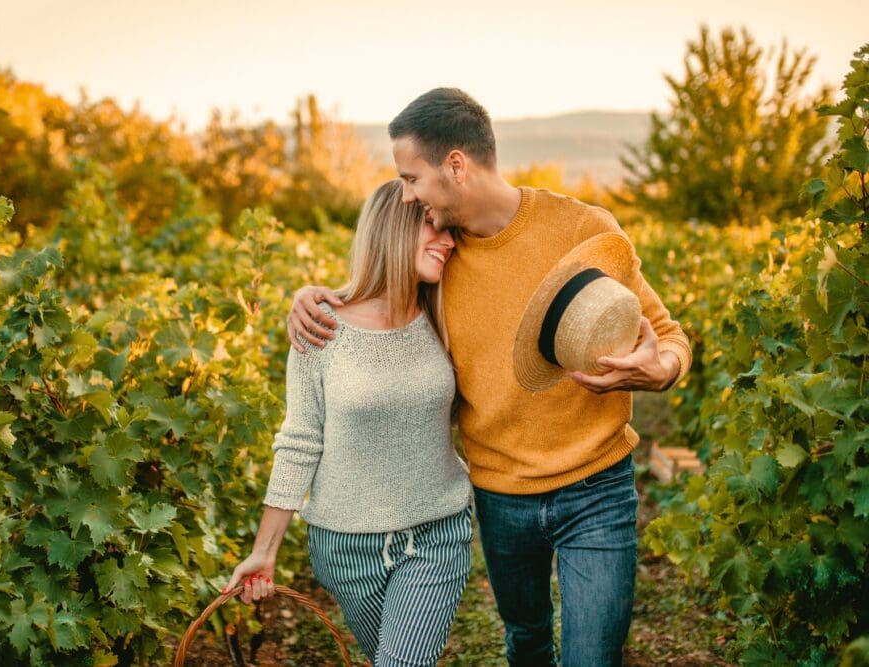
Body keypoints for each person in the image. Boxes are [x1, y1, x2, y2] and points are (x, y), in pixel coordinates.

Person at [288, 89, 692, 667]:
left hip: (598, 486)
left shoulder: (583, 229)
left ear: (456, 165)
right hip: (501, 496)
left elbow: (668, 334)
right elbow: (376, 301)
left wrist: (664, 368)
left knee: (593, 658)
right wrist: (307, 299)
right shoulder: (438, 261)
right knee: (526, 643)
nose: (407, 194)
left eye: (412, 177)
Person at [224, 179, 473, 667]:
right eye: (433, 225)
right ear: (391, 227)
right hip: (344, 548)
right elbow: (300, 441)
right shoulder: (322, 325)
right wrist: (264, 550)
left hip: (437, 533)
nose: (447, 240)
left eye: (451, 230)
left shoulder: (444, 311)